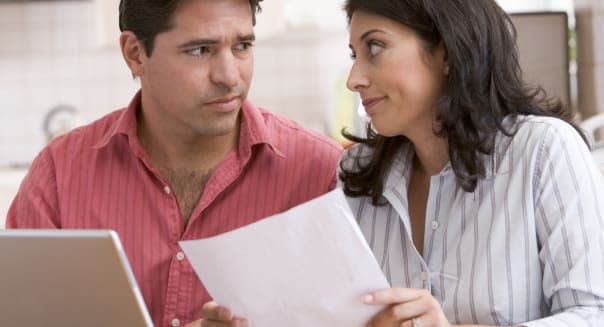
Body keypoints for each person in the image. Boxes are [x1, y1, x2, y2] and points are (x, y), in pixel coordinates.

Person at [201, 0, 604, 326]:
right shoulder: (355, 176)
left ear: (446, 50)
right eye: (355, 55)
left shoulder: (544, 151)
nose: (354, 78)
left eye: (375, 47)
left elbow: (593, 313)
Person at [6, 0, 342, 326]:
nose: (229, 76)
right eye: (200, 50)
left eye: (242, 46)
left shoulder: (323, 174)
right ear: (135, 54)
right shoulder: (59, 175)